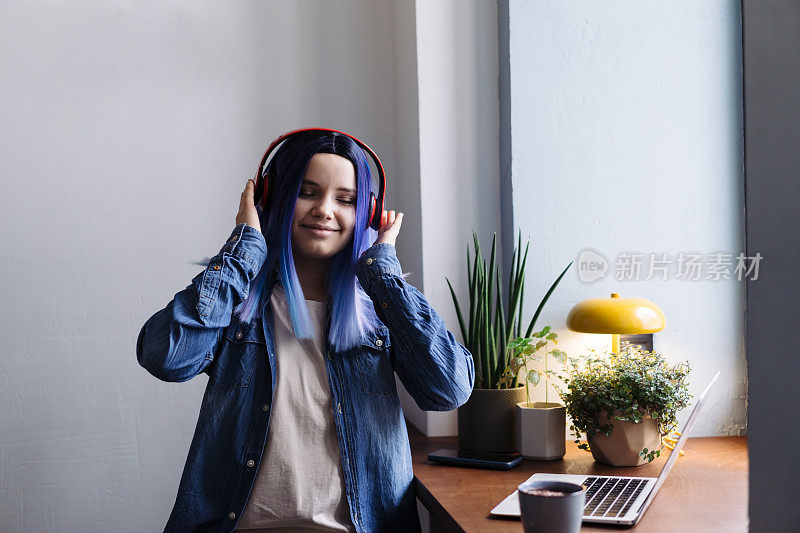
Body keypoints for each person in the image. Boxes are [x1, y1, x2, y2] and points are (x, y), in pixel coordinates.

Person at [136, 130, 475, 532]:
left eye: (345, 199)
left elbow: (449, 388)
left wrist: (384, 275)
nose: (325, 210)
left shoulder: (382, 309)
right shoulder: (233, 301)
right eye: (307, 192)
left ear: (368, 213)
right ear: (271, 199)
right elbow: (165, 356)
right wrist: (243, 249)